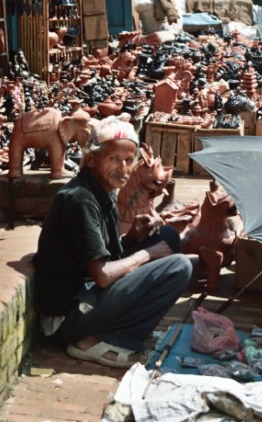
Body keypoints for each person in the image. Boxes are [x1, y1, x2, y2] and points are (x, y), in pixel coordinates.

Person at [33, 114, 193, 369]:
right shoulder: (81, 200)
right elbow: (103, 275)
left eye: (129, 160)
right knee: (179, 266)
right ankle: (102, 341)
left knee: (168, 236)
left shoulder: (102, 190)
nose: (123, 168)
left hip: (86, 293)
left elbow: (97, 251)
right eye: (113, 159)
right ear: (92, 160)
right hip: (66, 317)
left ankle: (115, 329)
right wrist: (148, 254)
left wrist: (131, 239)